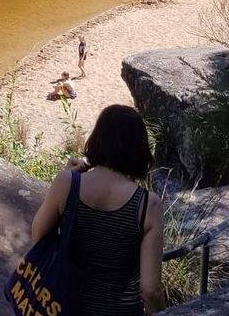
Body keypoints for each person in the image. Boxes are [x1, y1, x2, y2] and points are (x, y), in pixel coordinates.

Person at [30, 105, 165, 316]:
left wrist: (65, 177)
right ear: (140, 150)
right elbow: (150, 290)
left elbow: (38, 234)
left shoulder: (68, 183)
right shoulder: (149, 205)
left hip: (64, 306)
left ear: (97, 139)